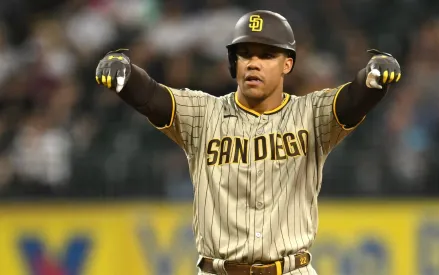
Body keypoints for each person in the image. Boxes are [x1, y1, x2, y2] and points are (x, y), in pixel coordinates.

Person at [95, 9, 401, 275]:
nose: (253, 63)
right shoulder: (203, 114)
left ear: (287, 65)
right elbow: (152, 97)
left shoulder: (310, 114)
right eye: (245, 54)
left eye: (267, 55)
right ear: (233, 63)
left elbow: (352, 100)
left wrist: (373, 78)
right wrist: (126, 74)